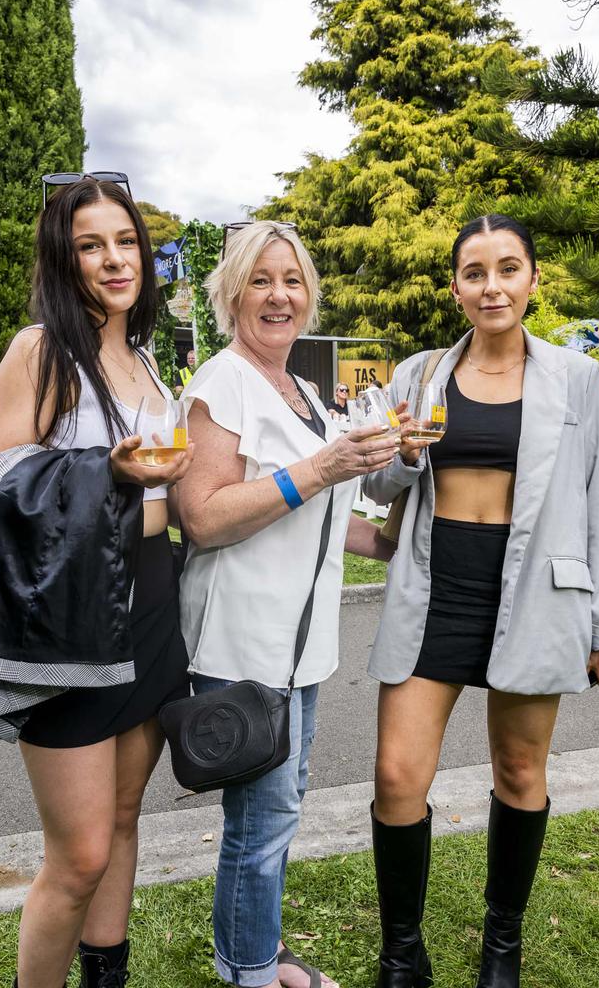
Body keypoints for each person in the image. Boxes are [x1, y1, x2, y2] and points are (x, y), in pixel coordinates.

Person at [0, 176, 193, 988]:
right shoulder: (40, 350)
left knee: (127, 817)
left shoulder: (141, 355)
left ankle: (108, 977)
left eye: (126, 241)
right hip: (71, 616)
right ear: (63, 262)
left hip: (150, 601)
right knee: (79, 854)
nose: (114, 260)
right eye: (90, 246)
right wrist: (109, 471)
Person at [362, 214, 599, 988]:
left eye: (508, 268)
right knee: (395, 778)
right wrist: (405, 453)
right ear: (456, 288)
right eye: (475, 272)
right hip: (435, 587)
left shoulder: (575, 378)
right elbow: (378, 484)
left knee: (520, 771)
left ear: (533, 280)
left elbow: (593, 502)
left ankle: (500, 951)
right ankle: (402, 955)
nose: (492, 285)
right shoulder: (416, 374)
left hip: (536, 594)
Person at [177, 220, 398, 988]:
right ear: (232, 291)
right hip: (242, 645)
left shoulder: (303, 390)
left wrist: (406, 542)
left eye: (293, 281)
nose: (280, 296)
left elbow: (326, 519)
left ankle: (256, 953)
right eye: (261, 281)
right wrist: (322, 466)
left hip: (302, 648)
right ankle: (248, 969)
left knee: (281, 810)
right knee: (261, 823)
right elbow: (200, 517)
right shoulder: (220, 383)